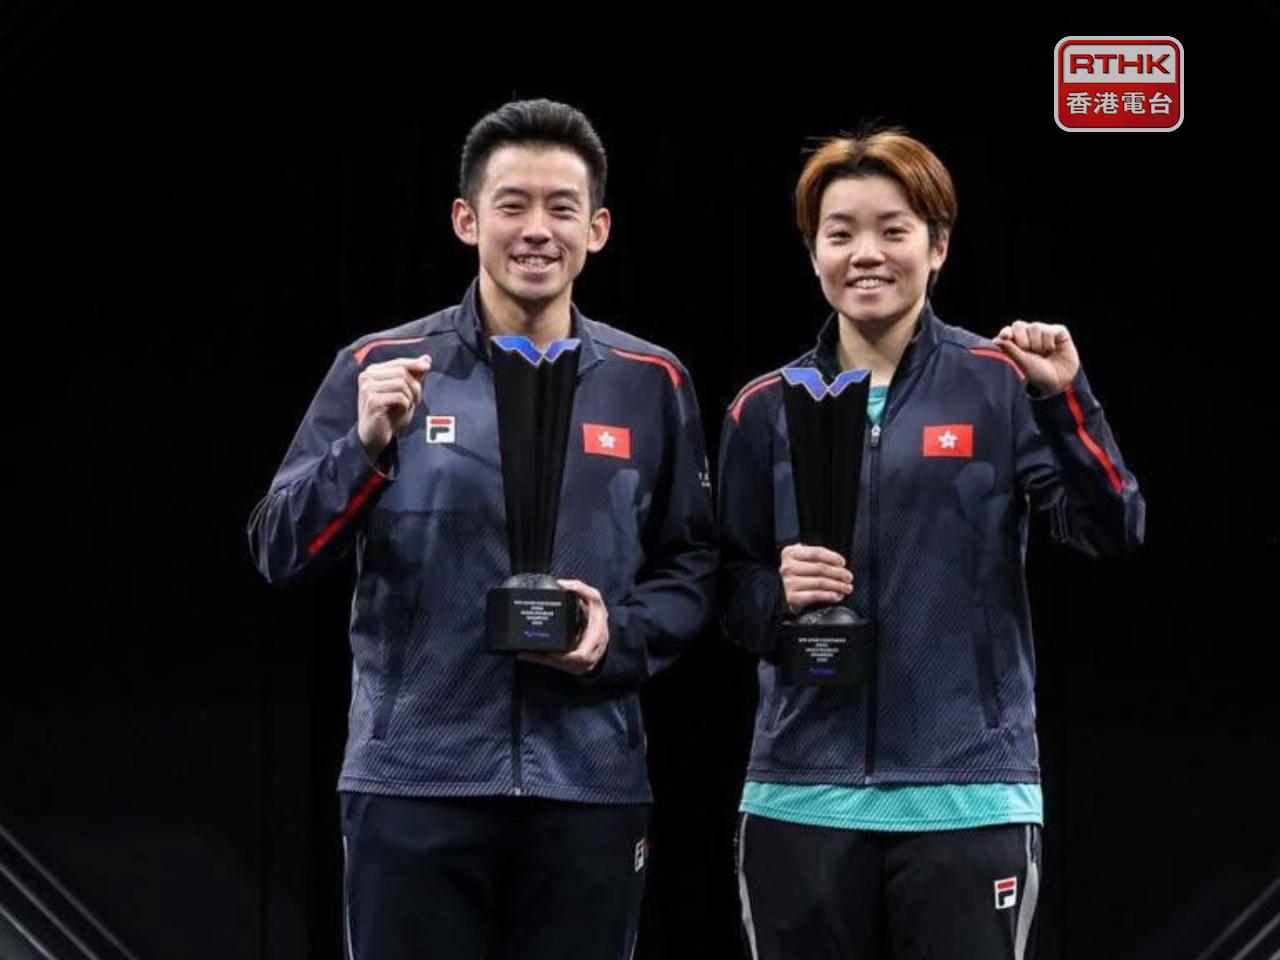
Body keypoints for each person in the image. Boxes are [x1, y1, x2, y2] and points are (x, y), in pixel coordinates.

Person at [247, 98, 716, 960]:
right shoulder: (378, 366)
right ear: (467, 220)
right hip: (413, 784)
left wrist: (618, 635)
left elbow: (693, 567)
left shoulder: (652, 380)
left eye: (561, 208)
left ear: (598, 229)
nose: (537, 229)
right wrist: (364, 449)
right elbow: (279, 547)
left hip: (589, 786)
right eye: (512, 205)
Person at [719, 128, 1145, 960]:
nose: (866, 253)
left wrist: (1068, 405)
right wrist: (776, 595)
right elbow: (724, 585)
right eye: (840, 234)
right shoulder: (762, 408)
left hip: (970, 799)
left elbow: (1112, 527)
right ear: (813, 255)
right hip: (799, 799)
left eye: (894, 230)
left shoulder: (1002, 381)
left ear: (938, 246)